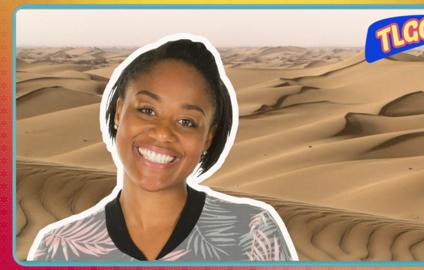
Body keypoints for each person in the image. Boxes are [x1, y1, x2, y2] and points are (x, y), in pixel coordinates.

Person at [27, 34, 298, 262]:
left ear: (208, 137)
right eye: (147, 110)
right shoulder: (57, 250)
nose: (163, 132)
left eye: (187, 121)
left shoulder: (253, 235)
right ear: (120, 111)